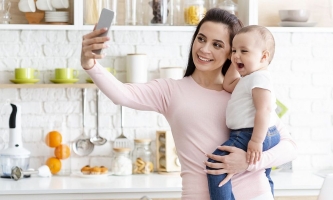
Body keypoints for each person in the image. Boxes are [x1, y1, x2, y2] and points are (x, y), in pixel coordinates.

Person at [81, 8, 297, 200]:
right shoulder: (171, 91)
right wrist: (91, 65)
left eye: (217, 45)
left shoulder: (245, 90)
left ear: (232, 53)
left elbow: (289, 147)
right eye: (201, 39)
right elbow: (122, 95)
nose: (204, 49)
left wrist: (249, 162)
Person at [207, 25, 280, 200]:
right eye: (233, 51)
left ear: (263, 56)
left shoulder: (260, 78)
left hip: (252, 132)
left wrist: (256, 140)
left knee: (217, 163)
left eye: (244, 51)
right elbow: (228, 84)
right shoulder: (249, 78)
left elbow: (264, 109)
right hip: (260, 132)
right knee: (263, 175)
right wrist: (236, 62)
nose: (236, 55)